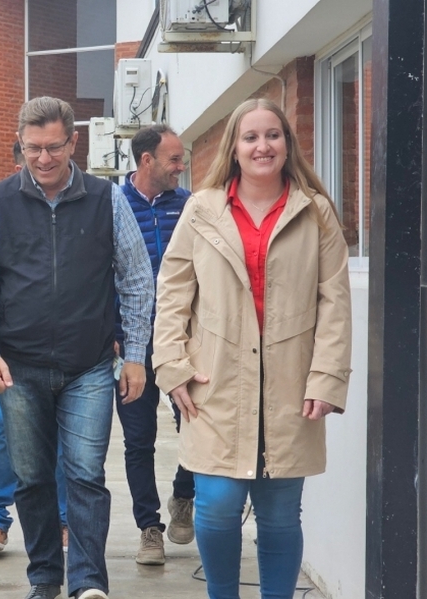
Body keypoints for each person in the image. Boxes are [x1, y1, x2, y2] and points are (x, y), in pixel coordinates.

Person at [152, 98, 352, 599]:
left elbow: (335, 303)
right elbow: (173, 292)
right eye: (251, 137)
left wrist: (327, 378)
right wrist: (172, 366)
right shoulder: (203, 209)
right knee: (216, 506)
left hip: (292, 385)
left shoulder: (316, 212)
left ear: (287, 143)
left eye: (273, 135)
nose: (263, 146)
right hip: (214, 381)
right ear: (234, 149)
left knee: (281, 513)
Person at [0, 96, 154, 599]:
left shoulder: (106, 199)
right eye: (32, 148)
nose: (43, 158)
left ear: (73, 142)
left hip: (89, 365)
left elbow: (136, 279)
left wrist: (134, 354)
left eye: (53, 147)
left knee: (86, 473)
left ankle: (88, 582)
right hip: (18, 367)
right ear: (20, 146)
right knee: (30, 477)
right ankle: (44, 577)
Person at [0, 141, 69, 554]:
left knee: (60, 438)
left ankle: (61, 520)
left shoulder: (64, 213)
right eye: (29, 157)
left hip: (63, 350)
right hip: (9, 349)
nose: (39, 164)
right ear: (18, 163)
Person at [115, 124, 195, 565]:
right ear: (147, 161)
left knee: (197, 425)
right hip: (130, 343)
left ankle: (184, 493)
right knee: (138, 439)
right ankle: (150, 528)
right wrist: (111, 332)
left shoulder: (189, 207)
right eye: (175, 159)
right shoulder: (111, 204)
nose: (181, 167)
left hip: (183, 340)